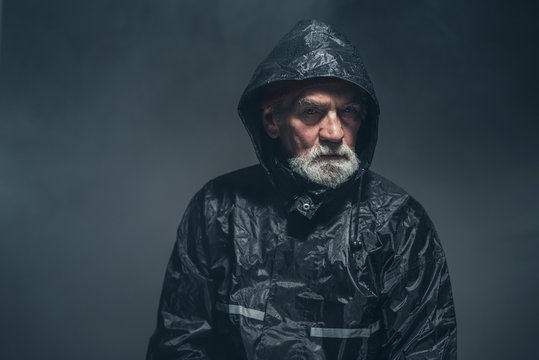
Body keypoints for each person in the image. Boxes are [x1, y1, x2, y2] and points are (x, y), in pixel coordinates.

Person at [146, 19, 457, 360]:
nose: (335, 132)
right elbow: (178, 344)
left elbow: (427, 351)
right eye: (312, 112)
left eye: (348, 111)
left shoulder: (400, 223)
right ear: (272, 121)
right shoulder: (217, 209)